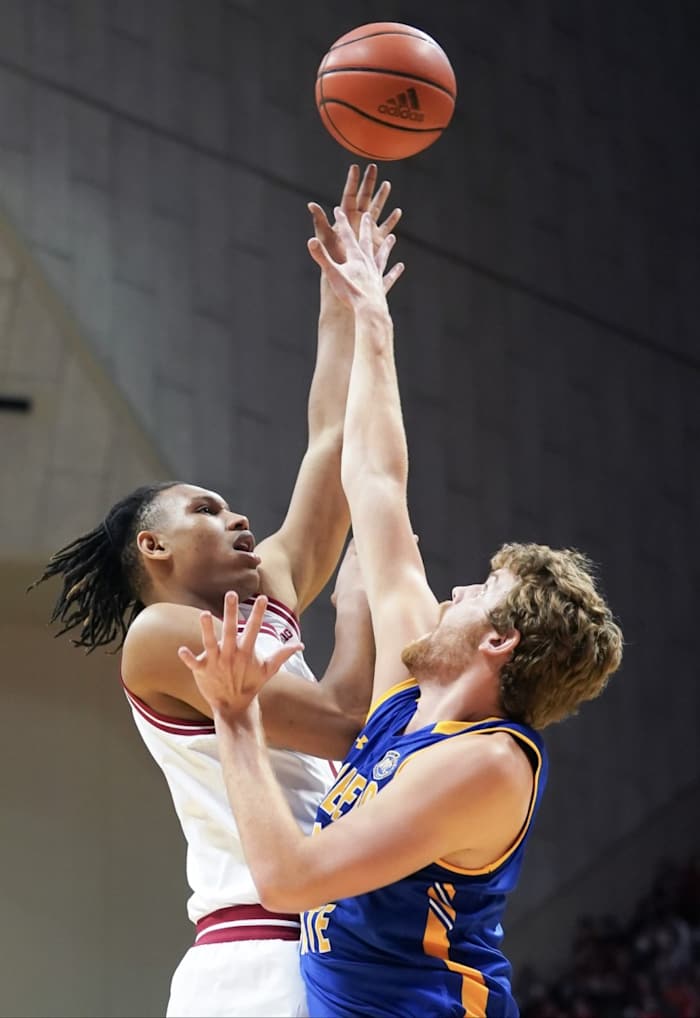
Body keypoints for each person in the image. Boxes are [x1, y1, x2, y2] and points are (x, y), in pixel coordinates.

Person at [177, 208, 625, 1018]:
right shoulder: (413, 702)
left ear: (498, 640)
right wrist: (371, 322)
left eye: (476, 592)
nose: (451, 591)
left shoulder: (488, 765)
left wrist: (235, 717)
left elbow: (287, 879)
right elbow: (378, 483)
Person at [31, 167, 402, 1018]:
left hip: (341, 941)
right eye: (207, 508)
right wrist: (359, 605)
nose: (237, 518)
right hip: (258, 957)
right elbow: (347, 722)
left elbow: (332, 440)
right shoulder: (159, 635)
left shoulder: (268, 591)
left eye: (233, 507)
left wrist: (346, 296)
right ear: (151, 545)